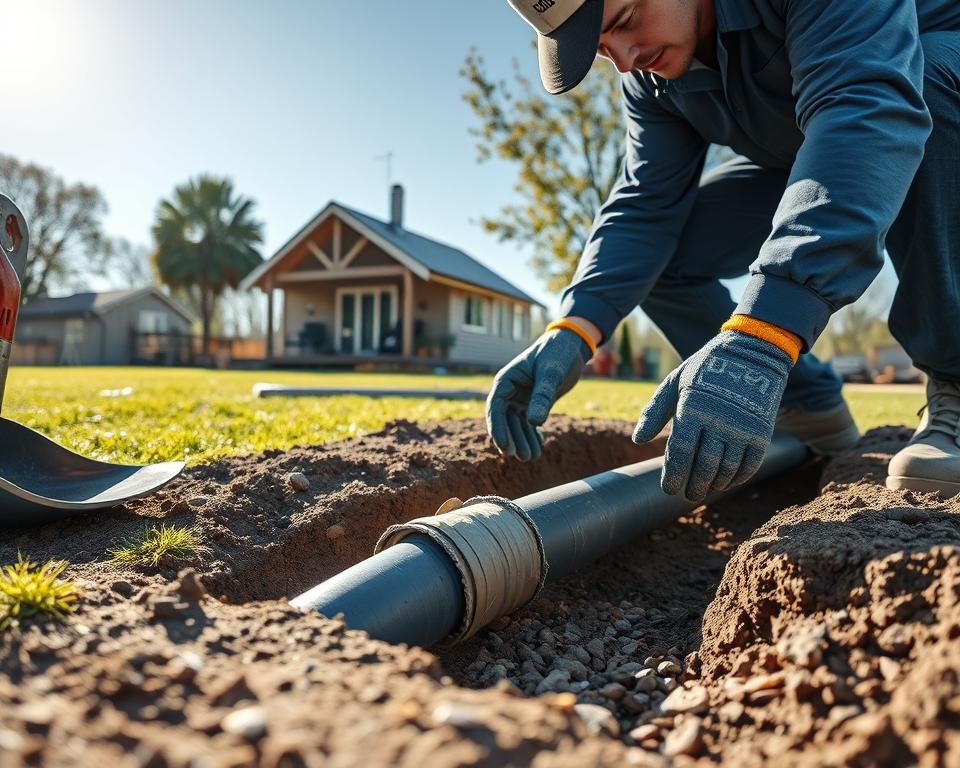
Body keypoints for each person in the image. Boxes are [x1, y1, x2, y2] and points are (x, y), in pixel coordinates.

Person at [487, 0, 960, 500]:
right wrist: (576, 326)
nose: (624, 59)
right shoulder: (652, 79)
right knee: (661, 260)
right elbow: (647, 204)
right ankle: (803, 405)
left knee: (924, 83)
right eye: (602, 48)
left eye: (625, 22)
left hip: (915, 95)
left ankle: (956, 381)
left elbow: (866, 111)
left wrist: (764, 334)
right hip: (811, 145)